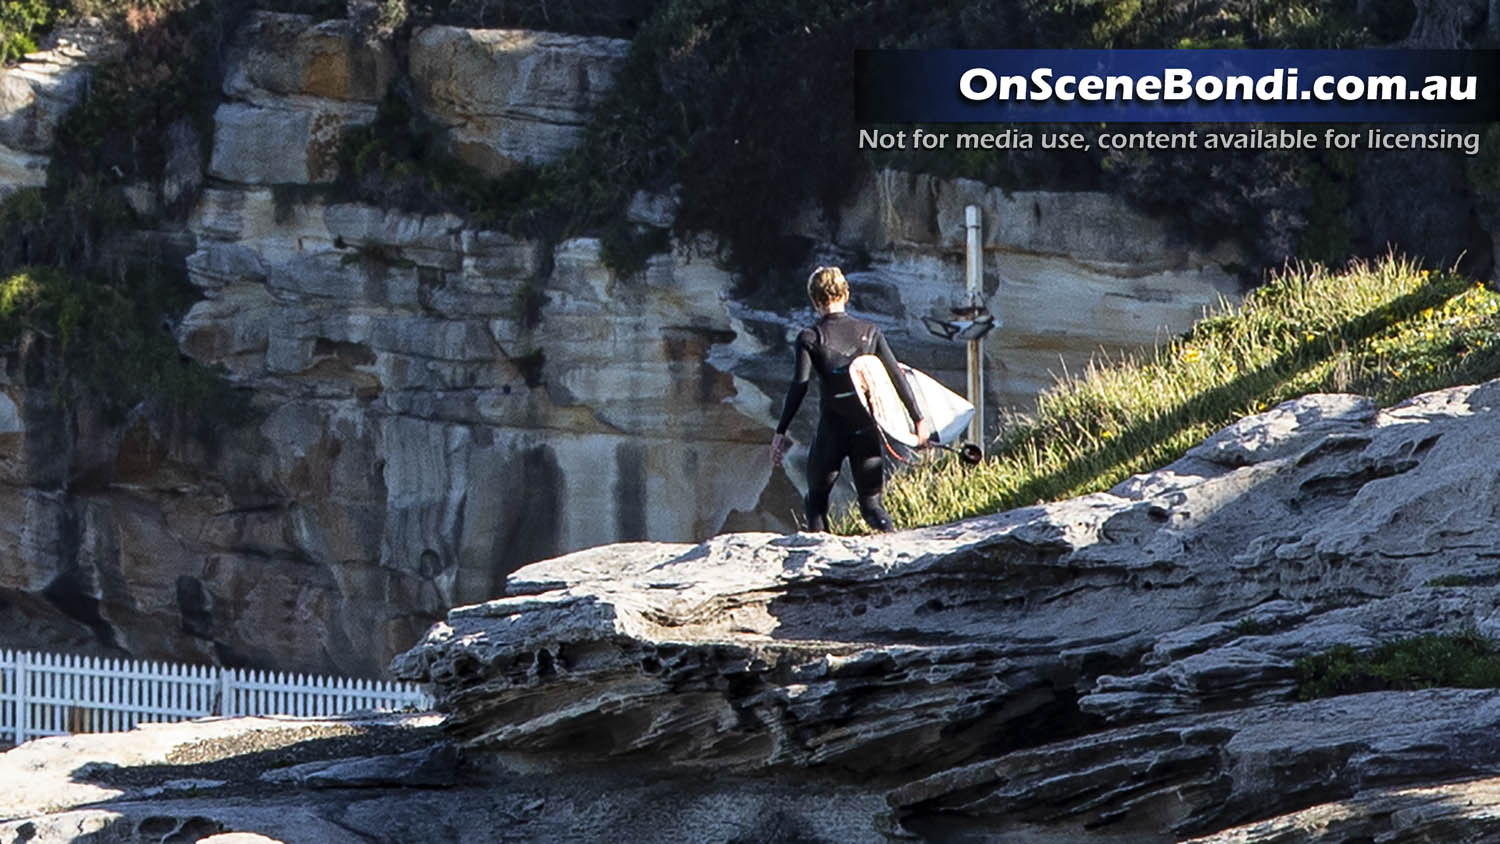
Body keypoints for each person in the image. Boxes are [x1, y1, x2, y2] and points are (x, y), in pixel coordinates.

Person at [770, 266, 933, 532]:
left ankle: (819, 563)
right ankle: (891, 544)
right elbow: (896, 376)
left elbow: (799, 387)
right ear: (846, 294)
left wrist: (781, 431)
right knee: (871, 505)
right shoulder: (870, 331)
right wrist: (918, 420)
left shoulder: (811, 337)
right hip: (865, 428)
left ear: (814, 300)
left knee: (816, 503)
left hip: (832, 430)